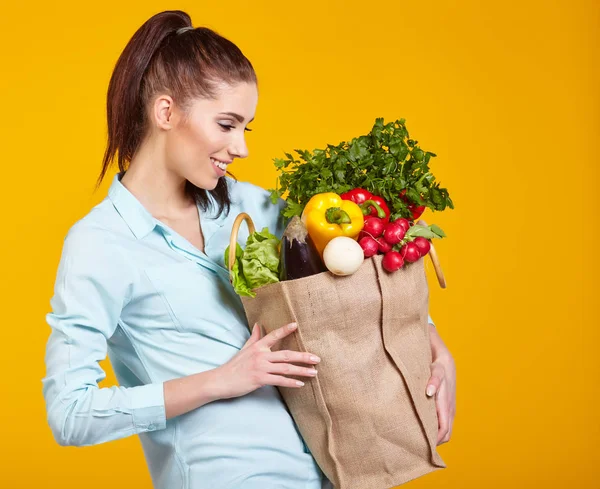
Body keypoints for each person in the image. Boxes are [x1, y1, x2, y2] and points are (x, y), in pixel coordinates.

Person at [42, 9, 456, 489]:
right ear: (165, 112)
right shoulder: (100, 245)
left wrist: (431, 342)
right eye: (226, 124)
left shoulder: (253, 206)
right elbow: (70, 414)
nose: (241, 148)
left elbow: (346, 279)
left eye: (247, 128)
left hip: (333, 473)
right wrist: (220, 380)